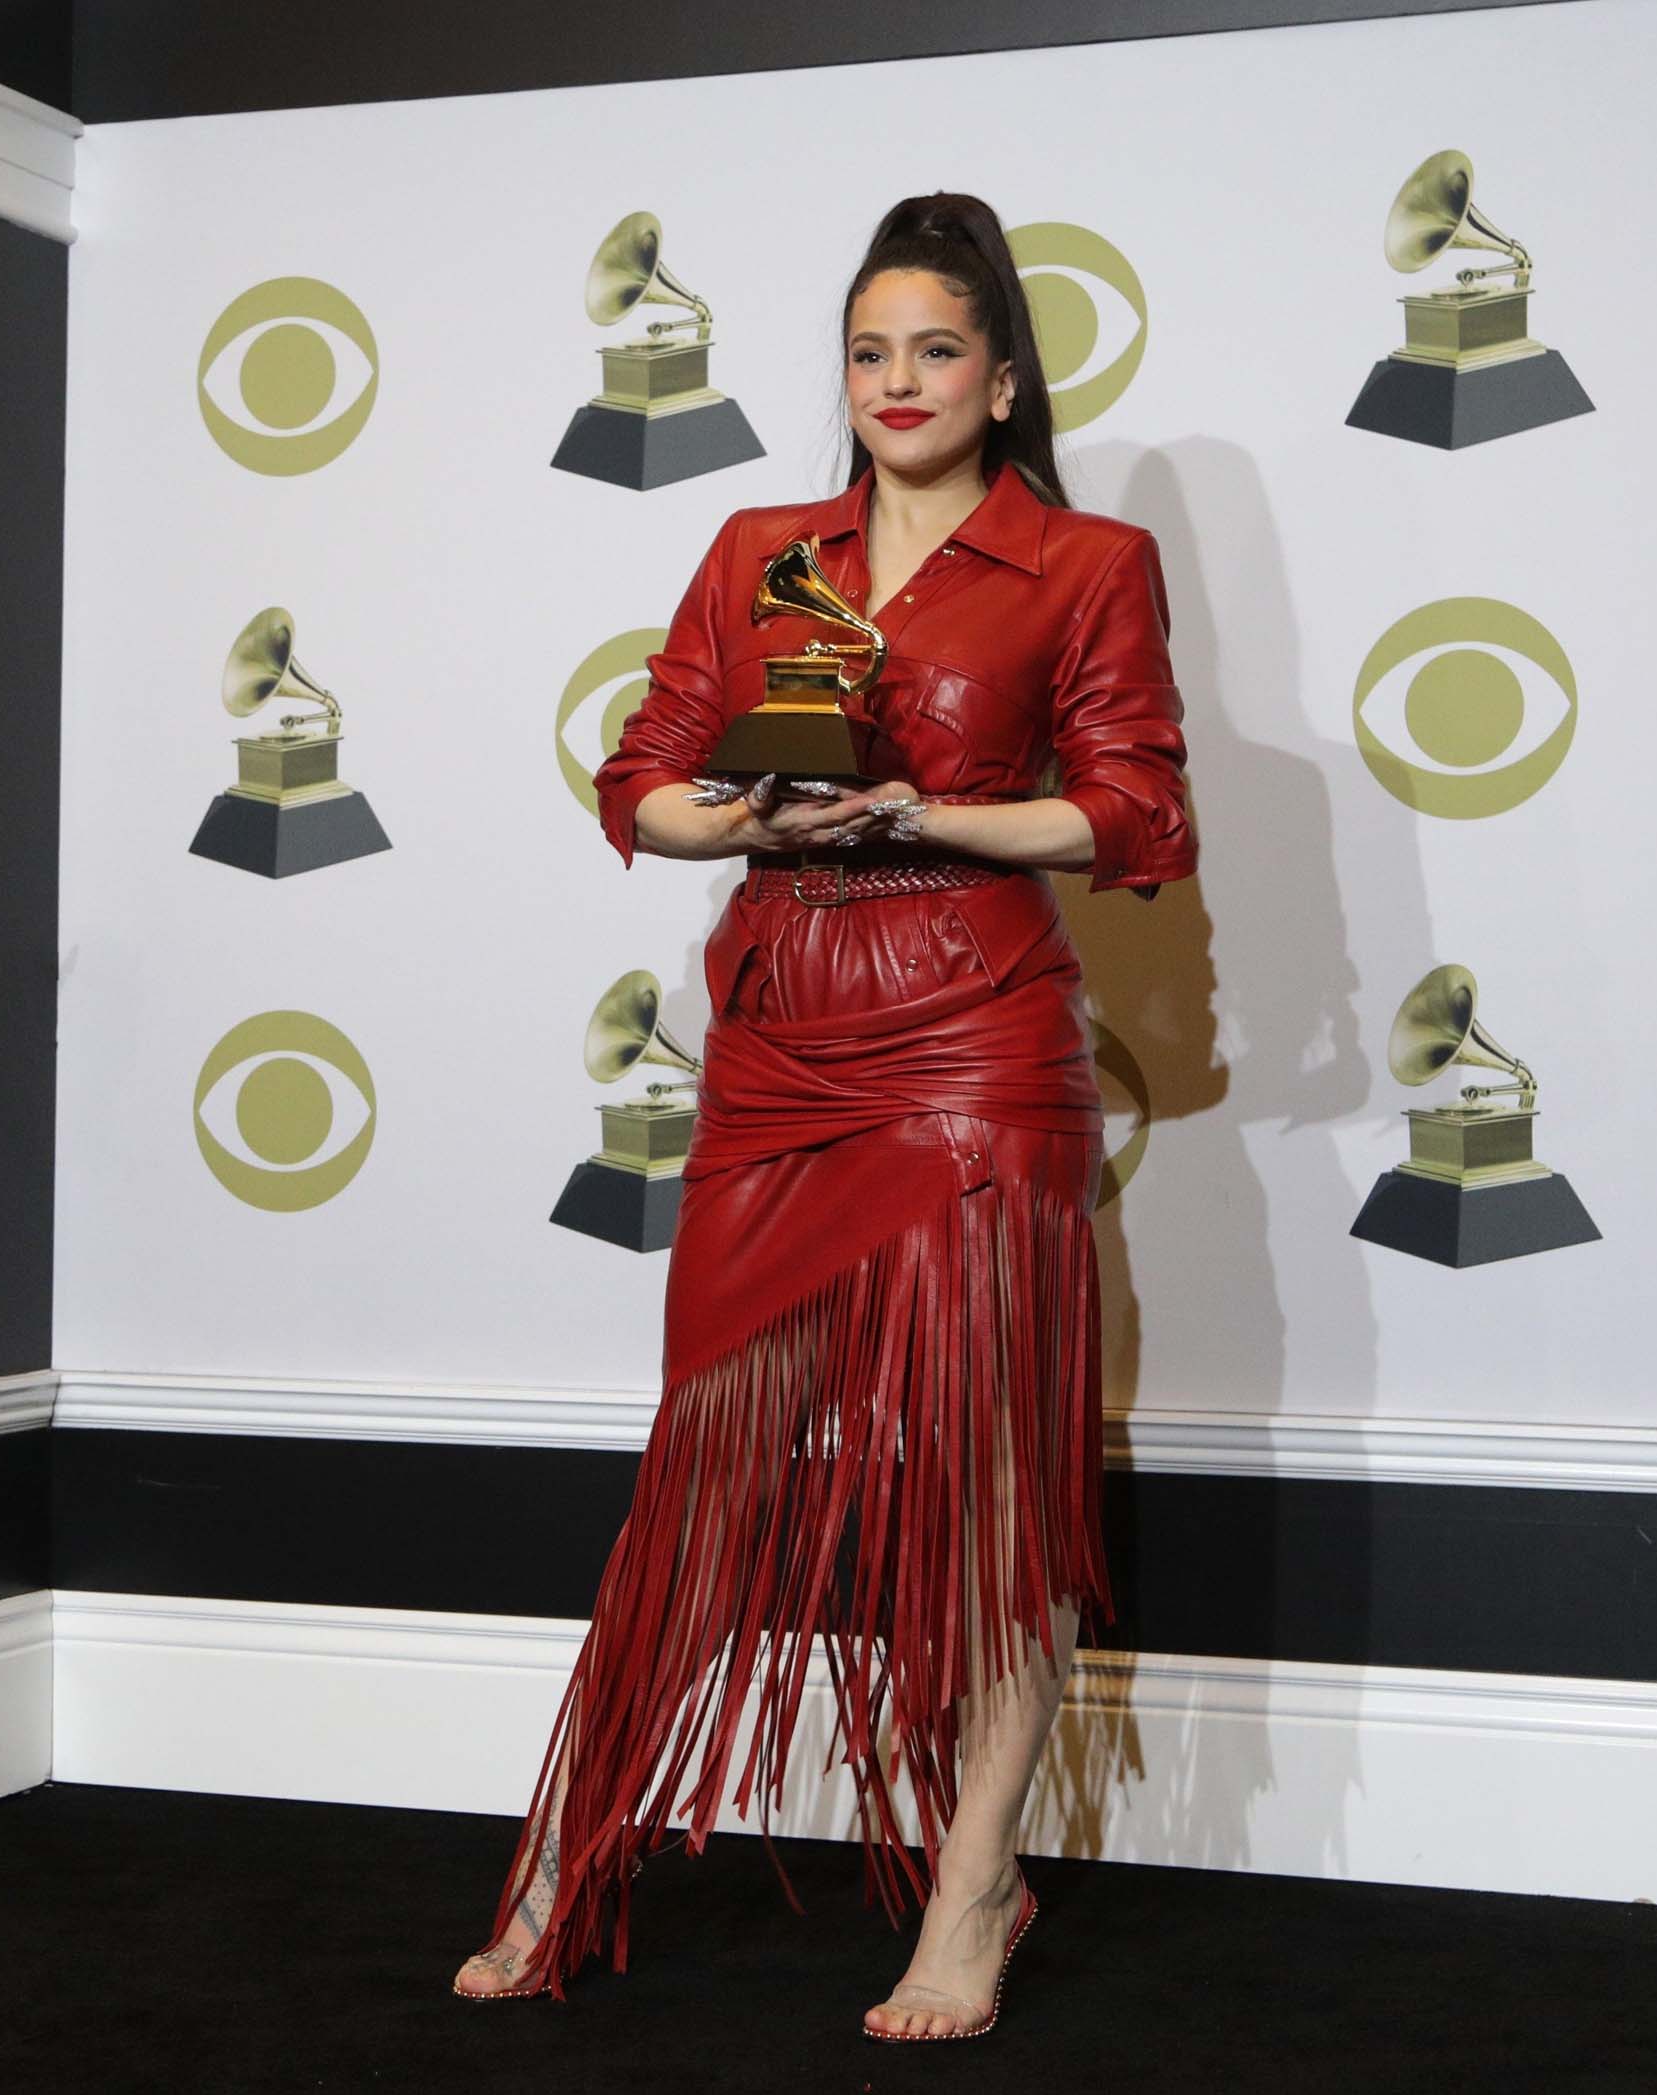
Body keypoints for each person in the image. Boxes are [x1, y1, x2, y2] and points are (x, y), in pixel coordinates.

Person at [451, 190, 1196, 2040]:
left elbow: (1134, 812)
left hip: (973, 1050)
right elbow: (643, 775)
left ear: (1005, 377)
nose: (897, 382)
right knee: (706, 1468)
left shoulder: (1084, 563)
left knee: (989, 1500)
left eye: (936, 349)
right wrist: (741, 819)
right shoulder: (763, 547)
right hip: (785, 1041)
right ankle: (568, 1853)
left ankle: (972, 1893)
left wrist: (921, 814)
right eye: (868, 352)